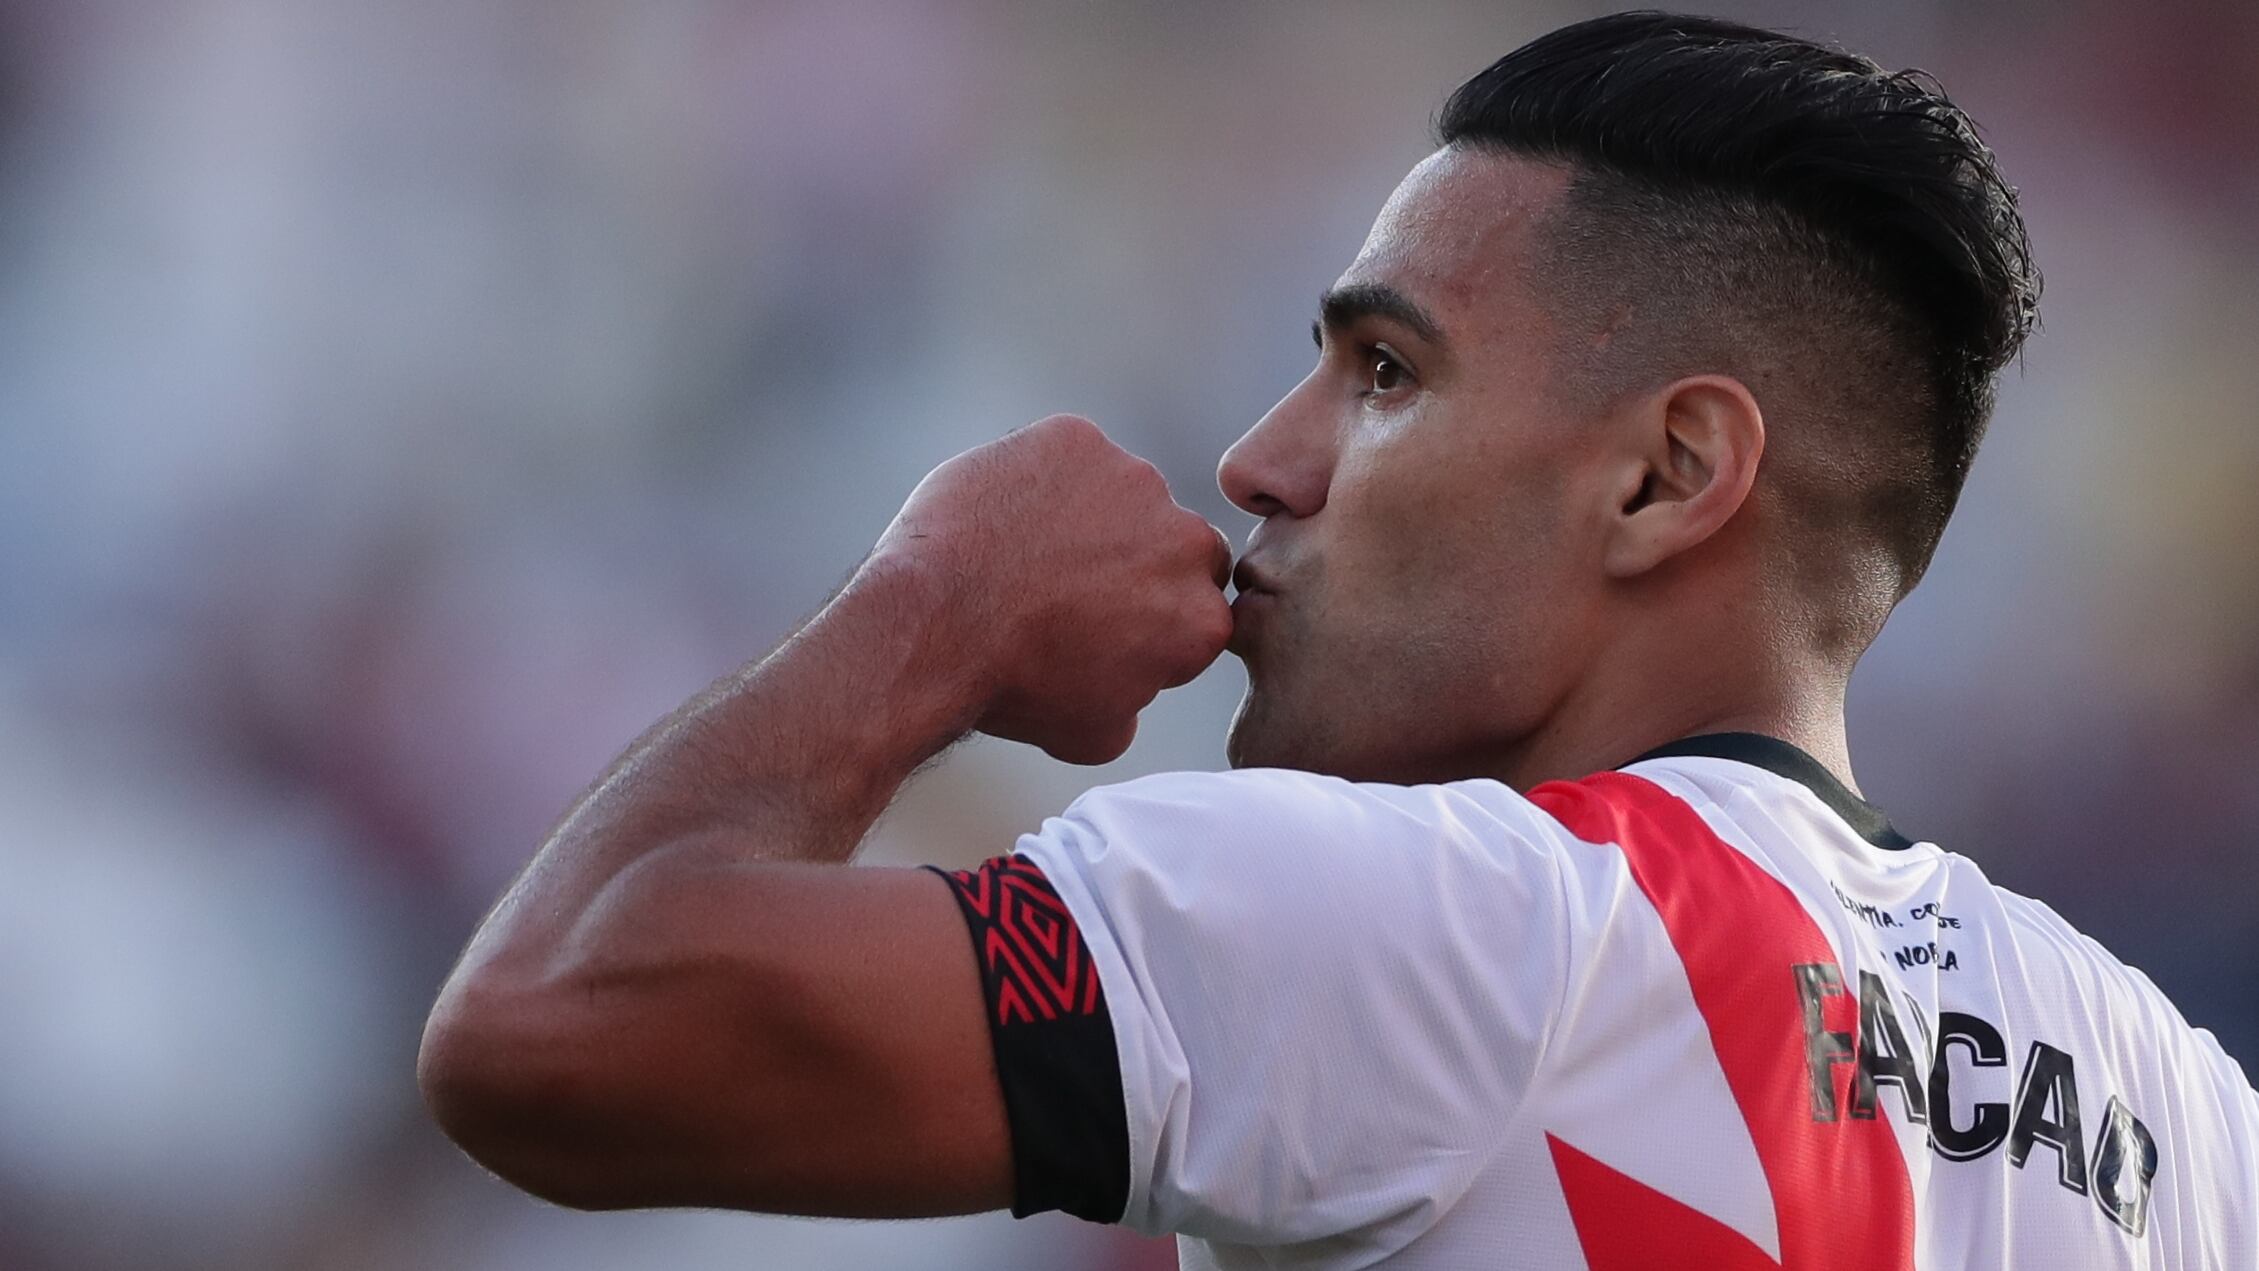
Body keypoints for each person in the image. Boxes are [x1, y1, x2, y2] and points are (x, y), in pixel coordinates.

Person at [417, 12, 2259, 1269]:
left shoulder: (1462, 922)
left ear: (1666, 477)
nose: (1261, 461)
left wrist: (936, 605)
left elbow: (556, 1021)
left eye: (1385, 374)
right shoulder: (2188, 1112)